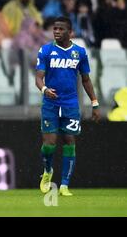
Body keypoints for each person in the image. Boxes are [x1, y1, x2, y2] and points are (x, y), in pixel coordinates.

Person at [35, 16, 100, 197]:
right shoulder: (46, 50)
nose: (56, 31)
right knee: (49, 144)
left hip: (71, 103)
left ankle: (64, 185)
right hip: (50, 103)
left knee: (69, 141)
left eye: (60, 29)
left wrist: (95, 103)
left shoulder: (79, 52)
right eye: (55, 28)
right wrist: (45, 89)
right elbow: (38, 77)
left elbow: (86, 80)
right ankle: (48, 170)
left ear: (70, 32)